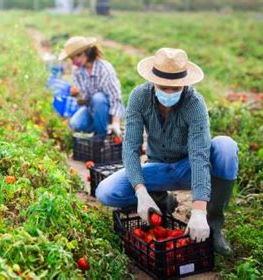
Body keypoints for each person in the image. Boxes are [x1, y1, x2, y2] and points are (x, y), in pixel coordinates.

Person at [95, 48, 238, 256]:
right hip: (158, 167)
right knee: (106, 191)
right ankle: (161, 200)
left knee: (225, 147)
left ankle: (213, 226)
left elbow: (199, 156)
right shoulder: (139, 97)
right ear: (153, 81)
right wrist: (140, 191)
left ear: (185, 83)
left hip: (189, 168)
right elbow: (131, 147)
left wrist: (198, 210)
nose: (169, 93)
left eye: (176, 88)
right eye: (164, 87)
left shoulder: (194, 104)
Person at [58, 36, 125, 139]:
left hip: (108, 111)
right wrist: (77, 96)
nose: (74, 62)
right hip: (91, 110)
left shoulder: (104, 69)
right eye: (71, 59)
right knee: (75, 124)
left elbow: (115, 99)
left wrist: (115, 122)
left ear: (86, 52)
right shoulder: (77, 71)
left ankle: (101, 136)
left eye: (76, 57)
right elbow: (85, 100)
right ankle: (103, 128)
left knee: (98, 98)